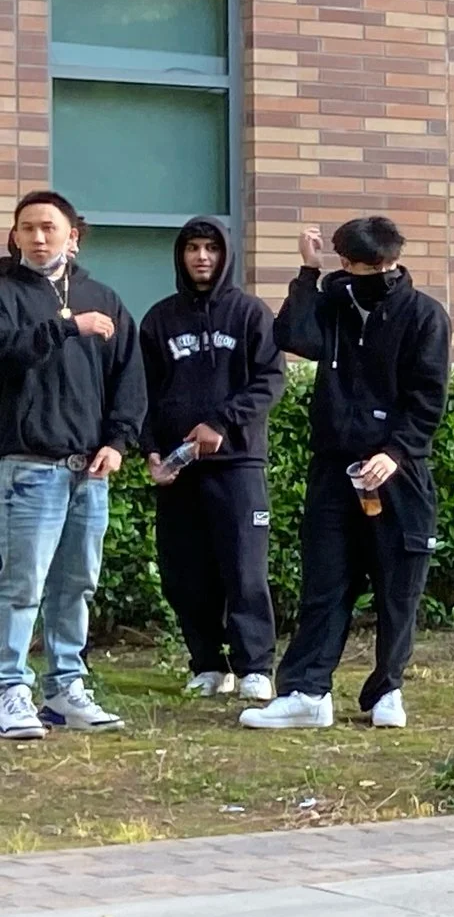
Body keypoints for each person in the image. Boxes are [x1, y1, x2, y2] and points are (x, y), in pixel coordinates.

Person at [243, 218, 451, 734]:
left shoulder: (424, 315)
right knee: (325, 580)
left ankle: (387, 689)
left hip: (397, 472)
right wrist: (307, 273)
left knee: (398, 585)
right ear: (347, 264)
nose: (380, 274)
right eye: (366, 266)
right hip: (335, 467)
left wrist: (397, 452)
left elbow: (428, 398)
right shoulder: (334, 302)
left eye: (386, 265)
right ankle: (306, 692)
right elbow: (293, 336)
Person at [0, 191, 140, 739]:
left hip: (89, 470)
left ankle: (64, 689)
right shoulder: (5, 291)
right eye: (27, 228)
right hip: (27, 466)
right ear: (14, 236)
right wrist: (64, 327)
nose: (38, 237)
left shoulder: (102, 298)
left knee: (76, 584)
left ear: (72, 236)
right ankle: (10, 689)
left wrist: (119, 441)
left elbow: (129, 377)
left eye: (49, 227)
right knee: (21, 585)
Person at [140, 217, 284, 702]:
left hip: (238, 464)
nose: (202, 257)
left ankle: (255, 667)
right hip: (178, 469)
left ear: (225, 255)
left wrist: (221, 423)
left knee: (244, 569)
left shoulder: (250, 313)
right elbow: (144, 393)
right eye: (192, 248)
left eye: (211, 248)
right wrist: (151, 449)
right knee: (184, 573)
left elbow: (270, 381)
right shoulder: (159, 320)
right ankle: (206, 664)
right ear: (180, 256)